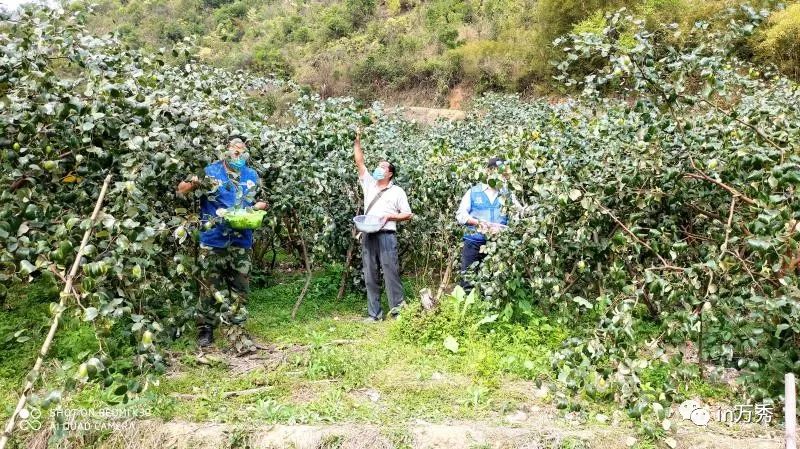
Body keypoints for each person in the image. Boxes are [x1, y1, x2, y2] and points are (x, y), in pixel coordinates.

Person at [177, 136, 267, 354]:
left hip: (241, 239)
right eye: (235, 152)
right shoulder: (211, 171)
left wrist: (257, 207)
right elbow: (181, 189)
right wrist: (194, 182)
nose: (239, 156)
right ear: (226, 151)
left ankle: (237, 325)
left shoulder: (250, 175)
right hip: (213, 240)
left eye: (242, 153)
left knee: (240, 286)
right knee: (209, 286)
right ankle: (205, 327)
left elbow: (260, 201)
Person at [353, 129, 413, 322]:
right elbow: (359, 162)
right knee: (370, 274)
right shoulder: (369, 184)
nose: (378, 169)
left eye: (383, 167)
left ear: (390, 173)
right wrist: (357, 141)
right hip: (369, 234)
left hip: (387, 235)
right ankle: (374, 314)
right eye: (378, 166)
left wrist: (390, 217)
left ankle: (397, 311)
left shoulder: (397, 192)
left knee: (391, 273)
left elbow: (408, 214)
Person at [455, 157, 517, 293]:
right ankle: (468, 311)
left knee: (494, 283)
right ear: (489, 171)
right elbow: (460, 215)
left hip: (498, 245)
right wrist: (478, 223)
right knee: (468, 280)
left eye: (504, 173)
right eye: (499, 172)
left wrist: (504, 229)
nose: (502, 176)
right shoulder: (474, 192)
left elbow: (518, 213)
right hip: (474, 243)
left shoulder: (507, 193)